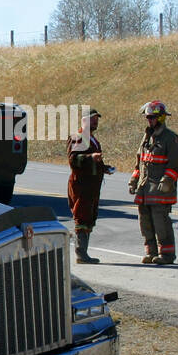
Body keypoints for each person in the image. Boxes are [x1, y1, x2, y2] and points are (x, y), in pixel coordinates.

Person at [128, 100, 178, 264]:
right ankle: (151, 252)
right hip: (144, 189)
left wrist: (167, 181)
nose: (149, 120)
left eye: (152, 117)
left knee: (161, 223)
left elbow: (176, 164)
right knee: (145, 223)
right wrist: (134, 180)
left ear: (161, 118)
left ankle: (166, 255)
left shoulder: (170, 138)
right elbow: (140, 162)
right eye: (147, 118)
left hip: (160, 190)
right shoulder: (146, 137)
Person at [66, 107, 114, 264]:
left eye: (97, 118)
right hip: (81, 186)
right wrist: (90, 157)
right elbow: (73, 160)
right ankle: (81, 254)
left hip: (92, 187)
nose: (96, 121)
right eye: (93, 118)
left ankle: (84, 252)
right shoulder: (78, 137)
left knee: (89, 218)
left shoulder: (92, 139)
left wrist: (103, 168)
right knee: (81, 218)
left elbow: (92, 162)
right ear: (84, 120)